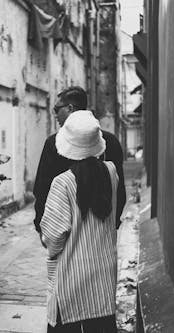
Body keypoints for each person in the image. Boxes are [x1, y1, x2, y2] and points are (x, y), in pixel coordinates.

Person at [40, 111, 119, 332]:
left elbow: (54, 237)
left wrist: (52, 251)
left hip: (71, 277)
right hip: (103, 275)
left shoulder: (62, 183)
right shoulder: (111, 173)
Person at [33, 86, 126, 235]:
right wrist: (112, 224)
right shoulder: (111, 142)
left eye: (57, 110)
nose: (55, 115)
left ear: (70, 108)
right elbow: (119, 191)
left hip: (65, 234)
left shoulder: (54, 144)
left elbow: (42, 190)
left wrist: (42, 228)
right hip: (103, 236)